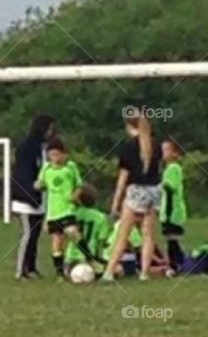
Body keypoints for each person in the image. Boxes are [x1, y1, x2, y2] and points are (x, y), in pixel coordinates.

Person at [102, 111, 164, 282]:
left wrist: (115, 203)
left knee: (124, 233)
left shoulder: (128, 148)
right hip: (154, 190)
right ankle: (144, 272)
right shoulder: (156, 145)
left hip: (136, 190)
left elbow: (123, 179)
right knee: (148, 235)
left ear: (130, 127)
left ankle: (109, 271)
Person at [11, 114, 56, 279]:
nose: (51, 132)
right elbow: (22, 174)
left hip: (38, 198)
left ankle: (31, 267)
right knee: (27, 233)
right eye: (49, 128)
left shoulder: (42, 147)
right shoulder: (27, 147)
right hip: (25, 198)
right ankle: (20, 270)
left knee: (36, 235)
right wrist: (29, 193)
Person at [36, 139, 82, 277]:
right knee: (57, 241)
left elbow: (79, 184)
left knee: (73, 232)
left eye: (57, 154)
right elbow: (40, 183)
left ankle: (83, 258)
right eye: (52, 155)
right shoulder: (47, 168)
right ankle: (60, 272)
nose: (55, 158)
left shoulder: (70, 167)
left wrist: (75, 195)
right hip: (53, 212)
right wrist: (37, 185)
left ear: (64, 155)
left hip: (67, 209)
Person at [67, 184, 110, 272]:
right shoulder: (101, 217)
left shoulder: (72, 214)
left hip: (71, 258)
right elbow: (101, 242)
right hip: (91, 255)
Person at [160, 138, 187, 273]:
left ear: (175, 153)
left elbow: (170, 188)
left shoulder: (173, 168)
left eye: (166, 150)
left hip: (173, 212)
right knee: (171, 240)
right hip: (169, 211)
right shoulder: (168, 168)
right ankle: (178, 263)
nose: (163, 153)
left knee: (172, 240)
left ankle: (176, 265)